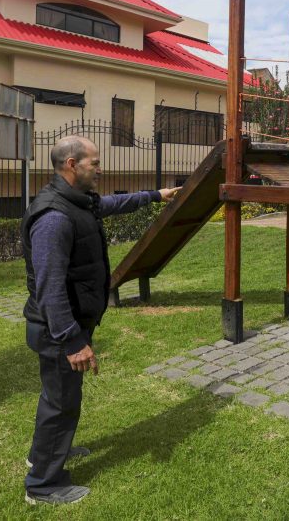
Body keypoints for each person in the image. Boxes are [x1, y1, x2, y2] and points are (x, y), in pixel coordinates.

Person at [22, 135, 178, 505]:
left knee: (58, 399)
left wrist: (155, 196)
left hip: (70, 325)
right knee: (61, 403)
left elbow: (112, 203)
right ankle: (42, 485)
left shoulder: (79, 202)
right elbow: (50, 287)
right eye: (94, 162)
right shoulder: (54, 217)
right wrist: (72, 340)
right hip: (60, 330)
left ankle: (45, 454)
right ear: (71, 165)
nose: (101, 168)